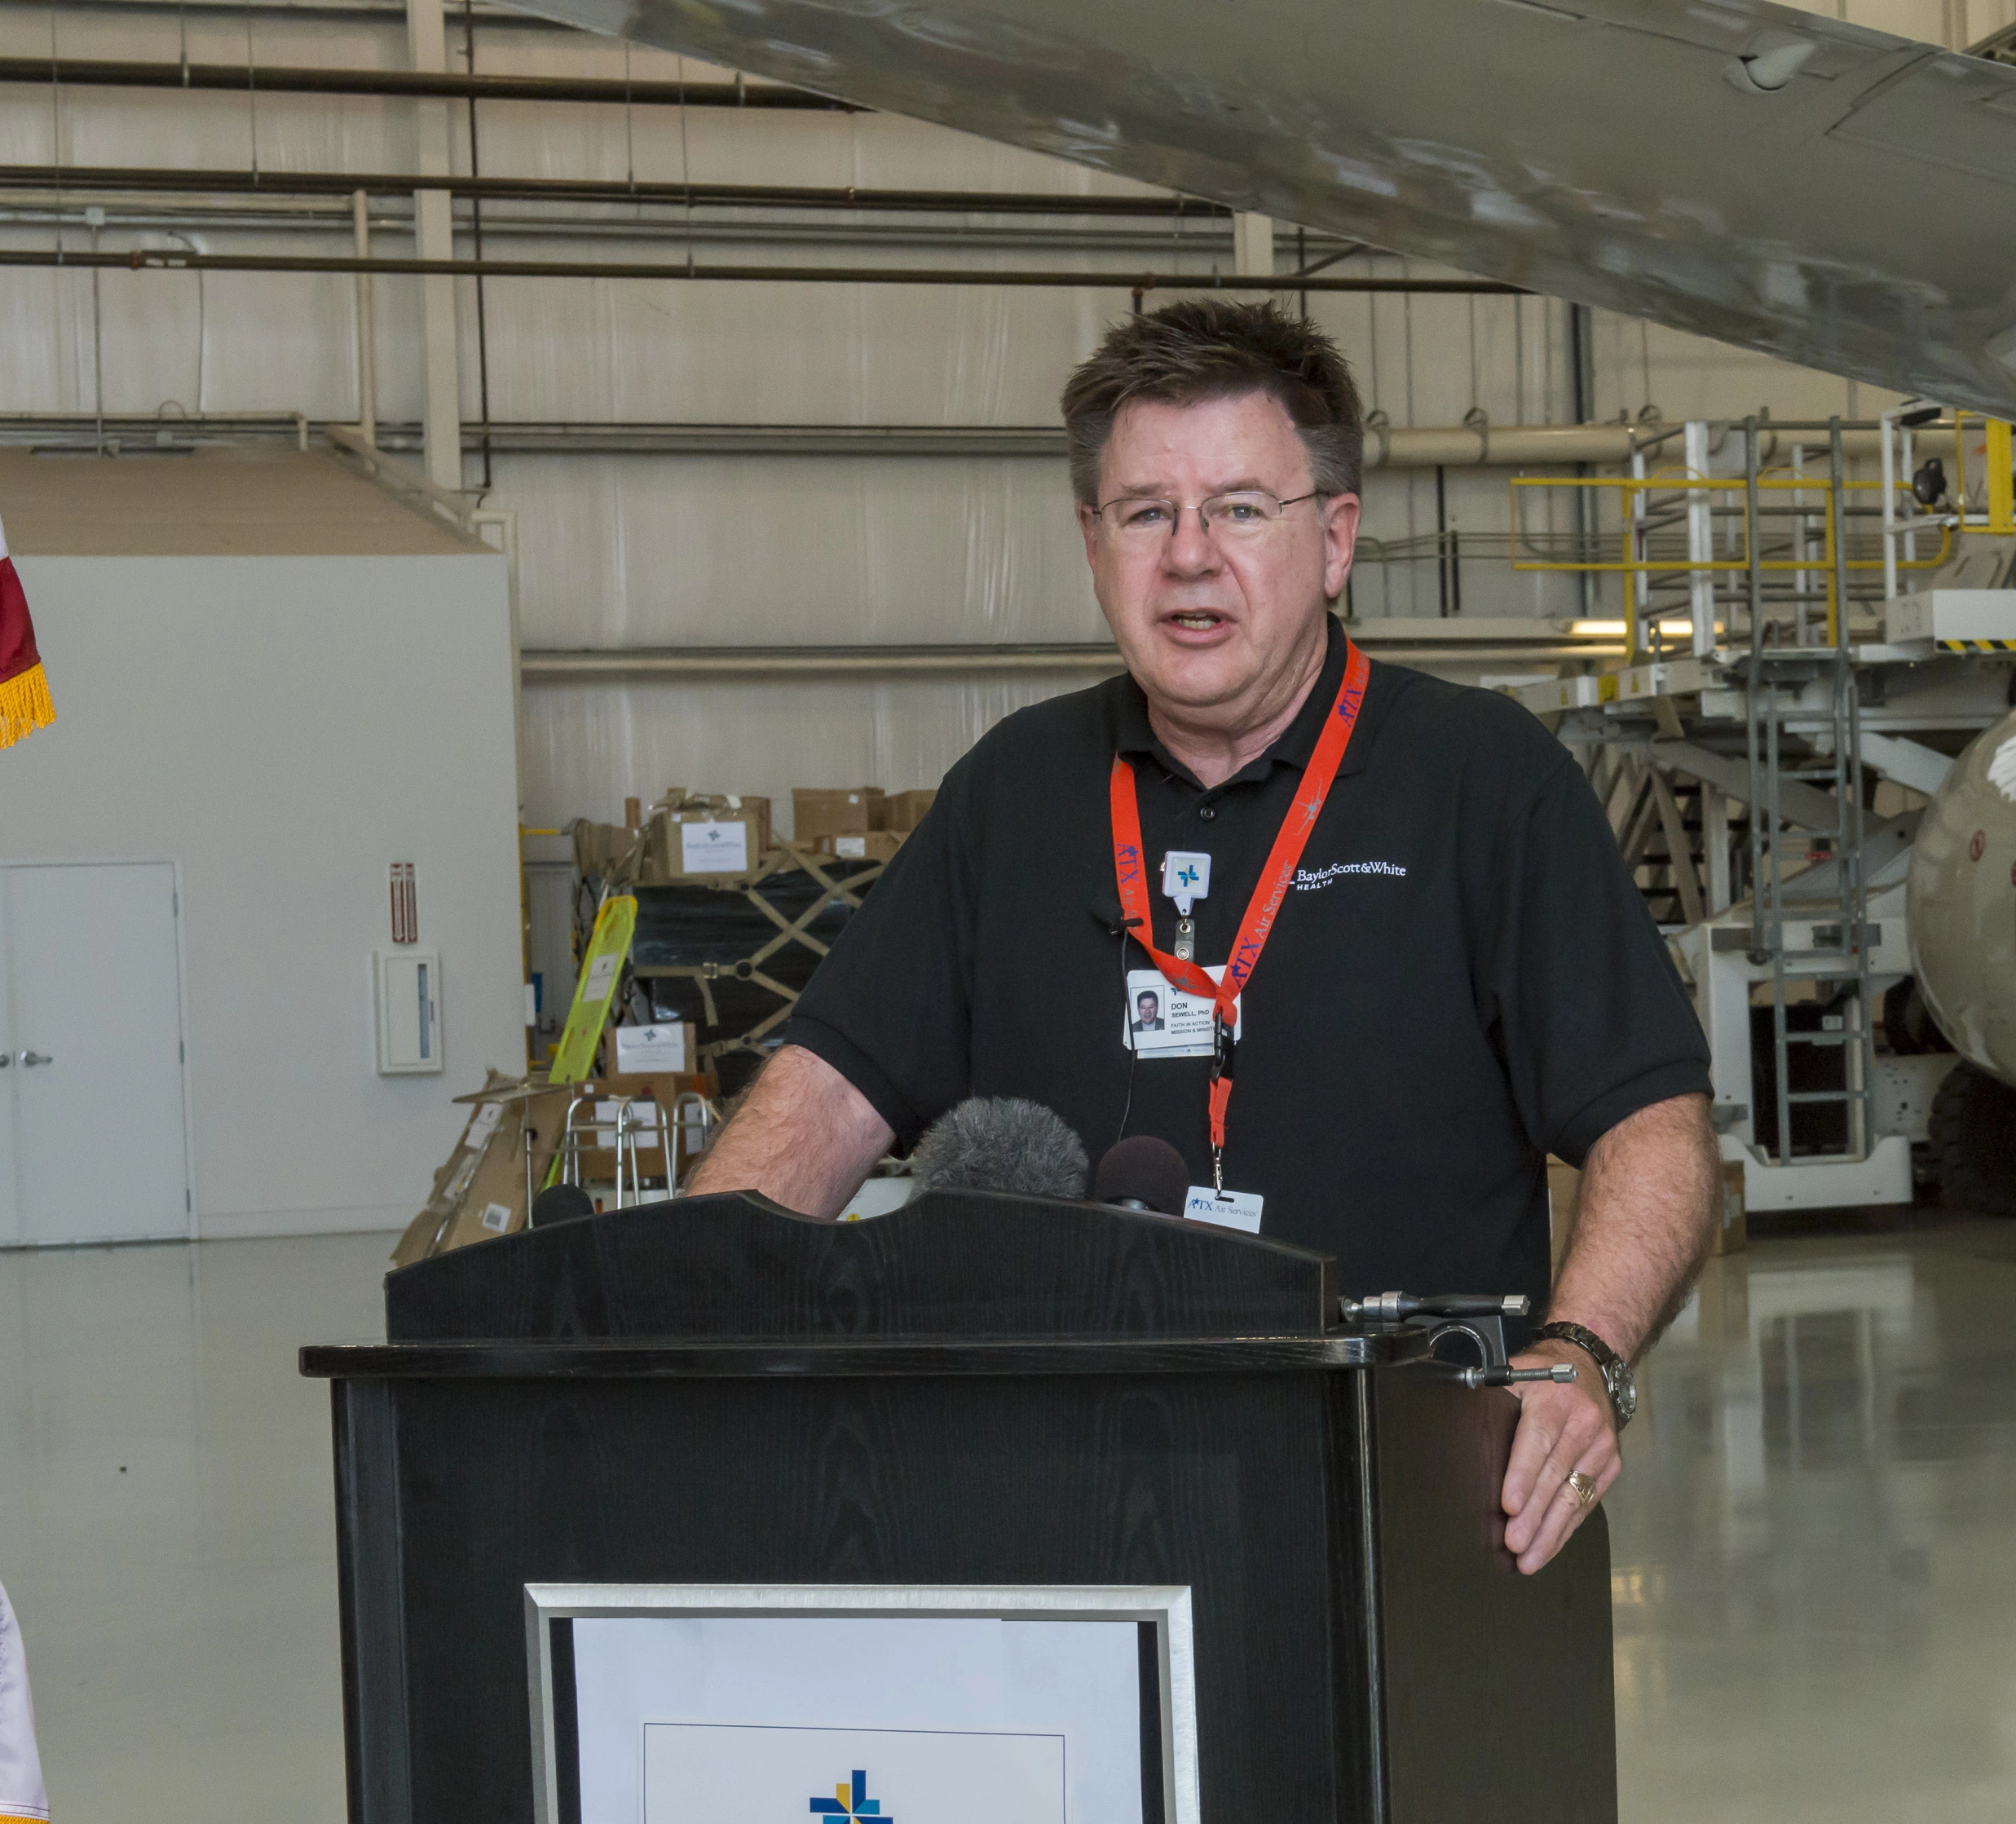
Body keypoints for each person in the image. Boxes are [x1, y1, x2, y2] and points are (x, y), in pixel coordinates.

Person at [689, 298, 1720, 1570]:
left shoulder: (1485, 783)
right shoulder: (1012, 795)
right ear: (1092, 542)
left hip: (1411, 1508)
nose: (1189, 556)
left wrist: (1585, 1356)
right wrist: (673, 1316)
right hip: (1054, 1514)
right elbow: (825, 1096)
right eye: (1145, 513)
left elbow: (1653, 1123)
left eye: (1240, 508)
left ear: (1335, 538)